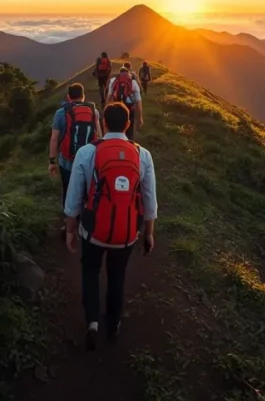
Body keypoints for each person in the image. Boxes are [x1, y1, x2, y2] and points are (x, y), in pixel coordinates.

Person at [64, 102, 157, 350]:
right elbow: (149, 199)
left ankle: (93, 322)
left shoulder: (87, 152)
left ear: (103, 123)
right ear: (128, 124)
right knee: (117, 275)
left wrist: (71, 230)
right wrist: (148, 233)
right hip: (126, 234)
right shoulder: (143, 155)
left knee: (90, 271)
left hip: (93, 231)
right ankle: (114, 323)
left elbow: (73, 198)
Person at [49, 83, 102, 238]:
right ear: (83, 95)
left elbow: (54, 139)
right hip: (88, 162)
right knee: (87, 191)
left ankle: (68, 224)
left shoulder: (61, 112)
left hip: (67, 161)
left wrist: (52, 162)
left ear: (68, 97)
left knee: (68, 190)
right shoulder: (94, 111)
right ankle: (84, 222)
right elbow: (99, 136)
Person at [107, 62, 143, 141]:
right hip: (129, 110)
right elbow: (138, 102)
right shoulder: (133, 82)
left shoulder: (114, 81)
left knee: (116, 129)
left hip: (116, 108)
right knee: (129, 131)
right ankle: (129, 144)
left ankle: (116, 144)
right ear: (128, 73)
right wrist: (140, 118)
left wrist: (106, 111)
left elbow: (109, 97)